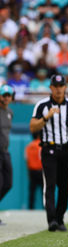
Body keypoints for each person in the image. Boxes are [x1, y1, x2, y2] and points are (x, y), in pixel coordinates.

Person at [29, 74, 68, 232]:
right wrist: (46, 118)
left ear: (65, 87)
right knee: (49, 185)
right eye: (55, 86)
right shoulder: (42, 105)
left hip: (66, 149)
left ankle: (60, 218)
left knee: (64, 186)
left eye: (61, 86)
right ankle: (51, 220)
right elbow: (33, 127)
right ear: (50, 88)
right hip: (49, 149)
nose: (58, 89)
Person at [0, 85, 14, 224]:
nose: (6, 98)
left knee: (8, 184)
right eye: (4, 95)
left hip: (5, 151)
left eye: (9, 95)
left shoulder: (10, 112)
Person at [25, 132, 43, 210]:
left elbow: (26, 160)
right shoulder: (41, 146)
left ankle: (31, 208)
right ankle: (46, 208)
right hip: (41, 171)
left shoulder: (29, 146)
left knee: (32, 192)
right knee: (44, 191)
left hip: (32, 171)